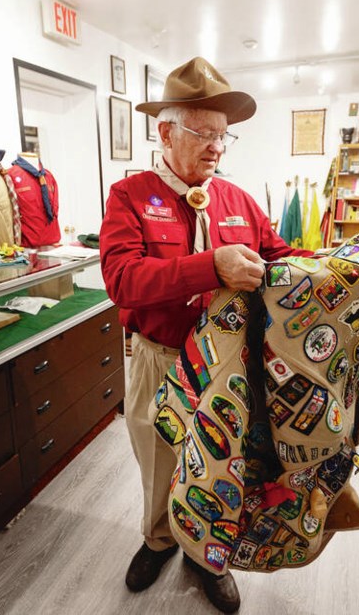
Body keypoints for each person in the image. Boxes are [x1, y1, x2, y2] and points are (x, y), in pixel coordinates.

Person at [99, 56, 310, 613]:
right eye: (203, 133)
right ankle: (158, 540)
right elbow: (122, 281)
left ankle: (205, 554)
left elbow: (283, 258)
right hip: (158, 357)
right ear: (166, 132)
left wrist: (346, 264)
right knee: (157, 457)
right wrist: (209, 267)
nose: (216, 147)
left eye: (223, 136)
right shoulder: (129, 196)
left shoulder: (238, 200)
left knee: (222, 463)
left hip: (229, 366)